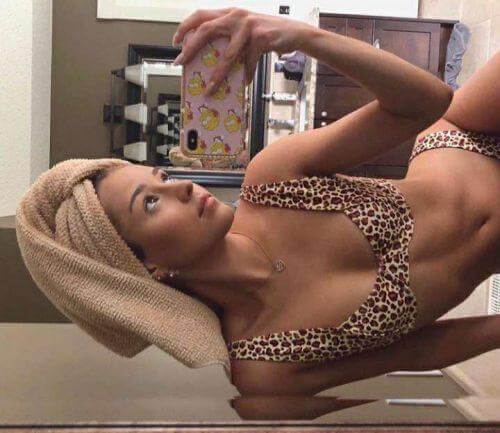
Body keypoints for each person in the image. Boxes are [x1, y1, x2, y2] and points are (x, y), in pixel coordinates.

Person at [17, 8, 499, 396]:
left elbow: (427, 103)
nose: (181, 187)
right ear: (143, 268)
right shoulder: (264, 363)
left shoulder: (271, 180)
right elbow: (416, 352)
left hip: (467, 138)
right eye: (150, 204)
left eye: (161, 176)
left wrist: (301, 36)